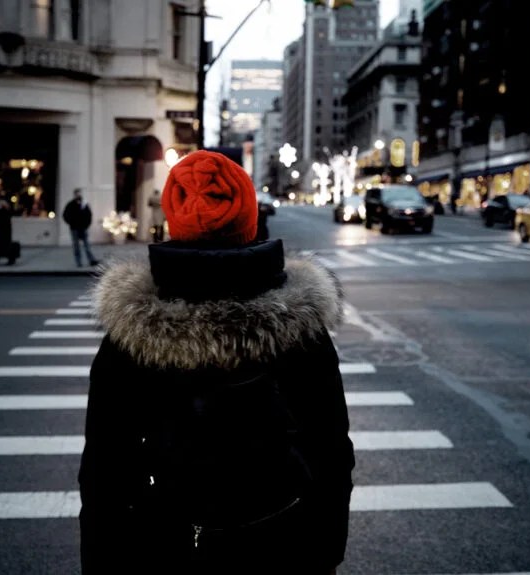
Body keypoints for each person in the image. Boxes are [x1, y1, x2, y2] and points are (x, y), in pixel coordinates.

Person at [79, 150, 354, 575]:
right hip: (284, 548)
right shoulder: (299, 325)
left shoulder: (132, 331)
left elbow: (105, 470)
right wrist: (326, 553)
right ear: (249, 219)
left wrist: (101, 564)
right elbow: (333, 451)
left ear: (175, 219)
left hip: (167, 549)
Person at [63, 188, 100, 267]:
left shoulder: (84, 204)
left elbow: (89, 215)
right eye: (77, 194)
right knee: (76, 247)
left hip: (83, 228)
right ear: (74, 195)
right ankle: (78, 262)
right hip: (74, 229)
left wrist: (87, 225)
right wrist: (71, 223)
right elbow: (65, 215)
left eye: (79, 193)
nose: (78, 195)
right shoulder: (71, 204)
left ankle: (91, 260)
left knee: (87, 245)